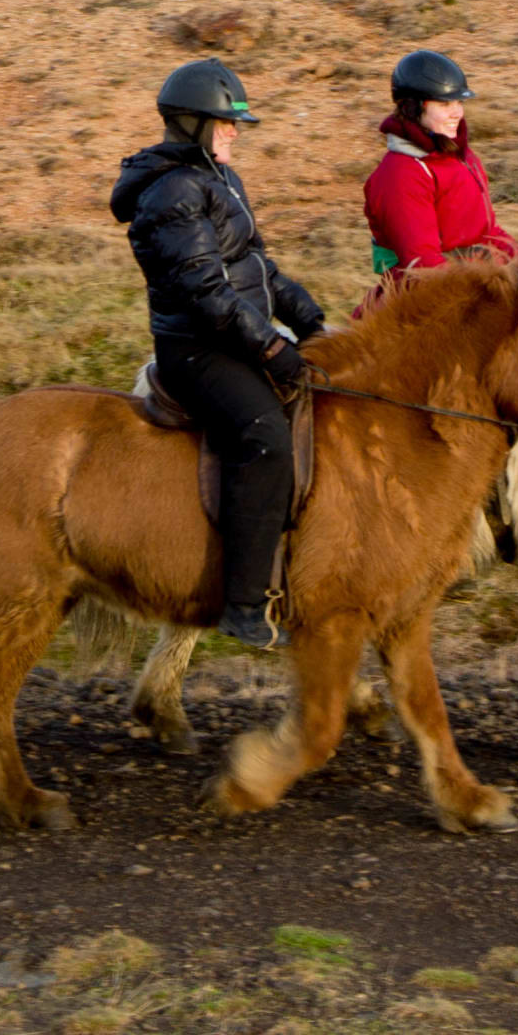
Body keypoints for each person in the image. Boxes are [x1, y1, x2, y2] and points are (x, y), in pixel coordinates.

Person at [114, 58, 325, 650]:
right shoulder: (174, 192)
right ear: (190, 124)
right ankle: (243, 603)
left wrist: (308, 318)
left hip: (237, 336)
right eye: (224, 122)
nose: (235, 131)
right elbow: (206, 292)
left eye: (236, 123)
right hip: (198, 350)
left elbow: (258, 266)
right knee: (265, 437)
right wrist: (271, 348)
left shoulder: (221, 179)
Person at [363, 49, 518, 282]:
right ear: (414, 108)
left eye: (459, 102)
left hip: (478, 276)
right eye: (444, 104)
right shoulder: (402, 175)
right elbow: (423, 265)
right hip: (435, 297)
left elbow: (485, 234)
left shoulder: (461, 157)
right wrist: (487, 288)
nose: (457, 113)